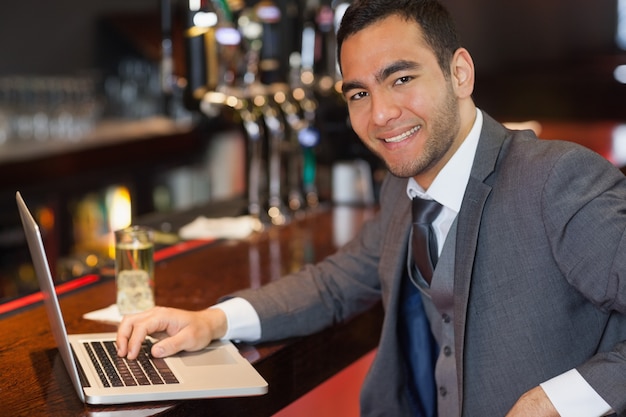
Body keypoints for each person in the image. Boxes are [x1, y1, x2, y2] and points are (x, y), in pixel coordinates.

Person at [116, 0, 626, 415]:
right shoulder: (401, 191)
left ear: (460, 73)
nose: (380, 113)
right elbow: (335, 282)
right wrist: (212, 321)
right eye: (359, 92)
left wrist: (557, 401)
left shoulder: (557, 179)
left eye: (401, 78)